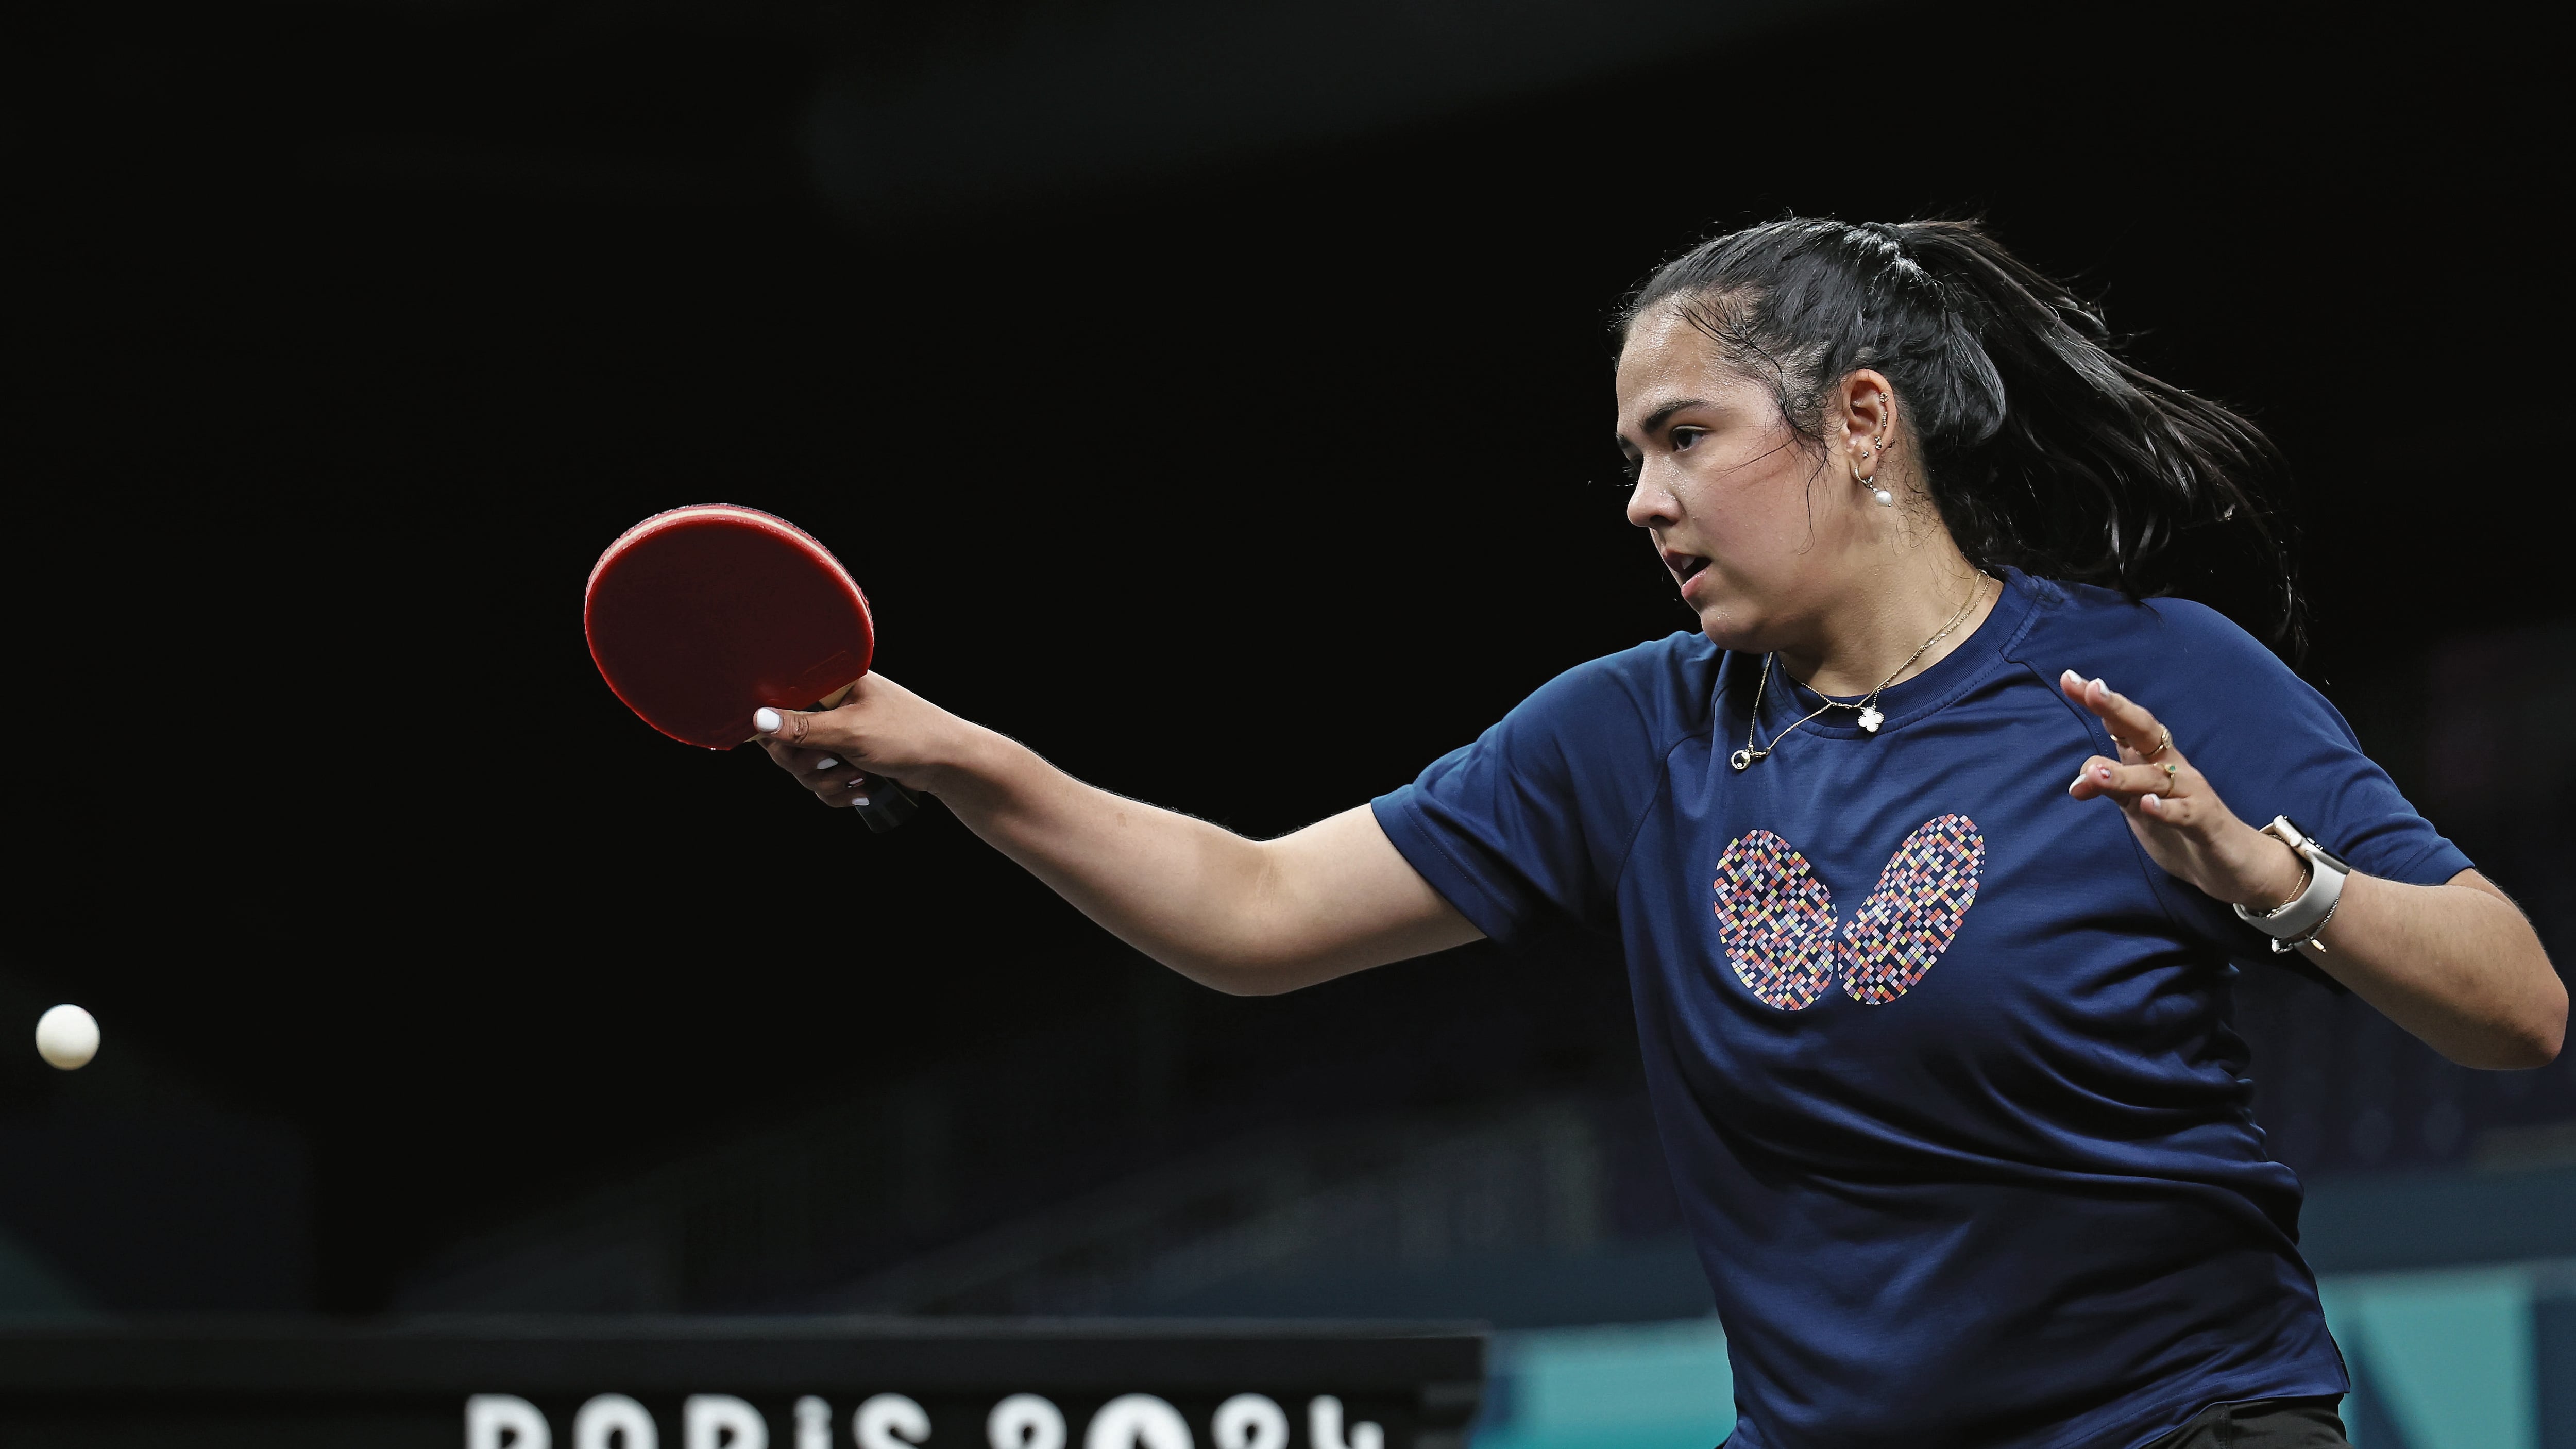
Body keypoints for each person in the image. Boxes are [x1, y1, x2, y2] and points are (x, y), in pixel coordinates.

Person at [751, 218, 2563, 1449]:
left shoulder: (2150, 676)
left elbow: (2518, 1005)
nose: (1643, 498)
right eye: (1632, 454)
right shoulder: (1630, 735)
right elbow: (1253, 908)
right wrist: (966, 760)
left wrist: (2277, 880)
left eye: (1686, 437)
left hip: (2177, 1426)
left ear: (1862, 423)